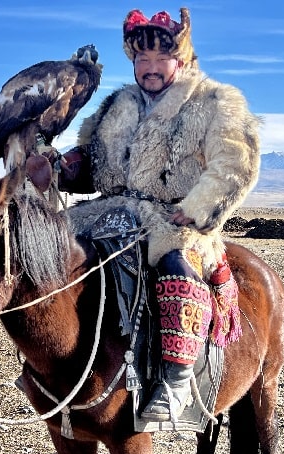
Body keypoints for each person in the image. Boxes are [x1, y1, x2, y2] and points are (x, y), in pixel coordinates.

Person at [53, 7, 261, 421]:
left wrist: (197, 208)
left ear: (180, 59)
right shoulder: (117, 105)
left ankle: (176, 379)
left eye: (159, 59)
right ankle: (57, 366)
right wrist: (59, 168)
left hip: (177, 218)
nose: (149, 68)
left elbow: (234, 164)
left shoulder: (215, 102)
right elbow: (92, 163)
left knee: (174, 265)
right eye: (141, 60)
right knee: (54, 256)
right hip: (112, 209)